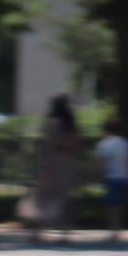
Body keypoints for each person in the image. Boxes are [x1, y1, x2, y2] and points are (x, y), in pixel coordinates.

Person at [24, 94, 80, 243]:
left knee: (42, 198)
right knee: (62, 198)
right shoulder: (71, 125)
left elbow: (50, 145)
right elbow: (76, 145)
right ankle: (66, 230)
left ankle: (37, 231)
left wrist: (43, 165)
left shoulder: (54, 123)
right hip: (66, 163)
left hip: (53, 164)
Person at [95, 117, 128, 241]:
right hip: (124, 176)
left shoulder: (104, 144)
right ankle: (118, 228)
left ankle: (114, 229)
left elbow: (101, 162)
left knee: (112, 205)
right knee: (119, 204)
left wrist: (98, 175)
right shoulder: (126, 143)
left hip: (111, 176)